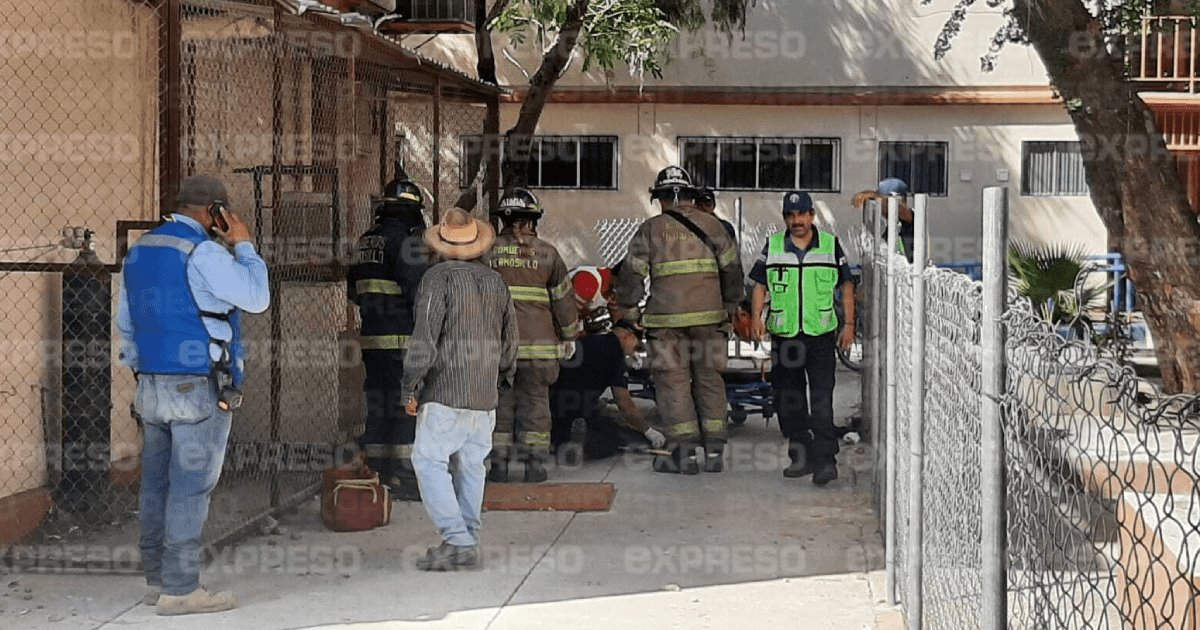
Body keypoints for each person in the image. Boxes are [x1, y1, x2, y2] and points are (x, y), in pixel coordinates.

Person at [118, 174, 270, 615]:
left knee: (155, 485)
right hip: (197, 385)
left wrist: (145, 367)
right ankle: (181, 589)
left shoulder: (142, 249)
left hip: (151, 383)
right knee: (190, 488)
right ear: (214, 213)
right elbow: (256, 297)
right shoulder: (203, 252)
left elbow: (126, 322)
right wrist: (243, 245)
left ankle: (157, 581)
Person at [401, 208, 518, 572]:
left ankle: (457, 539)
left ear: (441, 244)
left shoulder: (437, 279)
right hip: (484, 395)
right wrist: (501, 378)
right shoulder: (496, 282)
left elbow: (425, 338)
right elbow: (511, 339)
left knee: (428, 461)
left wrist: (410, 386)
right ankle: (465, 538)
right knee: (472, 466)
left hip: (446, 393)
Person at [615, 166, 744, 474]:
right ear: (689, 195)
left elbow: (632, 275)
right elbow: (733, 271)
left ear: (661, 198)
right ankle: (714, 453)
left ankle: (684, 455)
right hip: (711, 321)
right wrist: (729, 308)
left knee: (673, 384)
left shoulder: (650, 229)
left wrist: (632, 315)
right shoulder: (714, 227)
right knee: (710, 380)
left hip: (666, 323)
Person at [747, 191, 856, 486]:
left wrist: (849, 325)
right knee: (788, 401)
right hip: (786, 337)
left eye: (801, 215)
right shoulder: (773, 246)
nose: (796, 221)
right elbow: (758, 284)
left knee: (821, 401)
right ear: (785, 218)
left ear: (811, 216)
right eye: (790, 216)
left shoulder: (830, 246)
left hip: (820, 336)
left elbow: (846, 286)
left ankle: (825, 462)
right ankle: (801, 455)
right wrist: (756, 317)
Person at [485, 189, 580, 483]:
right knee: (536, 405)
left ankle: (499, 467)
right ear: (532, 221)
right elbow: (564, 300)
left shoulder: (487, 252)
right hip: (539, 349)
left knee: (499, 404)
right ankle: (533, 466)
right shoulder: (548, 253)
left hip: (498, 348)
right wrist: (569, 336)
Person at [346, 178, 429, 499]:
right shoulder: (404, 243)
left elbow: (354, 290)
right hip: (402, 341)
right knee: (408, 403)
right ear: (410, 212)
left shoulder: (366, 241)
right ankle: (406, 477)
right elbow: (417, 292)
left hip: (372, 339)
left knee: (378, 403)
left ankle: (378, 472)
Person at [551, 272, 666, 460]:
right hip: (573, 402)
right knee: (609, 438)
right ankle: (580, 436)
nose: (633, 352)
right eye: (636, 347)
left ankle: (562, 438)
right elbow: (624, 403)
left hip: (555, 401)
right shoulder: (589, 282)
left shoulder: (591, 341)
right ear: (627, 337)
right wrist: (648, 431)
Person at [852, 177, 914, 262]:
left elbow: (901, 210)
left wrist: (876, 196)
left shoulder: (911, 221)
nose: (880, 208)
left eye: (881, 202)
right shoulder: (892, 227)